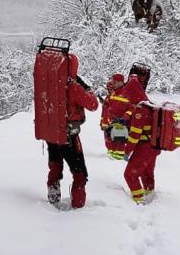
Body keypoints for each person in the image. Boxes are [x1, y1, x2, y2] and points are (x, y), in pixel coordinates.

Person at [47, 53, 99, 209]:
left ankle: (53, 200)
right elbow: (93, 105)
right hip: (69, 135)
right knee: (80, 174)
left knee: (55, 166)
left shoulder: (50, 82)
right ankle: (78, 206)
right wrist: (87, 88)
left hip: (51, 134)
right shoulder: (73, 87)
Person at [120, 63, 160, 204]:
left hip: (145, 147)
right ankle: (150, 195)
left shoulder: (140, 110)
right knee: (146, 172)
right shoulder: (147, 104)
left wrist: (127, 151)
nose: (127, 97)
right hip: (154, 146)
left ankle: (139, 201)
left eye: (128, 95)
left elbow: (135, 134)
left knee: (129, 174)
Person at [100, 73, 130, 160]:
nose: (113, 84)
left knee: (119, 142)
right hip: (110, 121)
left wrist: (125, 117)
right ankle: (111, 157)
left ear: (121, 82)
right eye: (113, 82)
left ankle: (118, 160)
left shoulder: (127, 94)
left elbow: (132, 108)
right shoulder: (113, 93)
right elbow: (108, 106)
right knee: (110, 140)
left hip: (120, 123)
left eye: (115, 82)